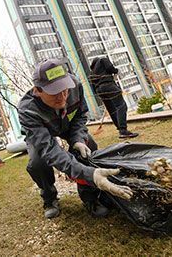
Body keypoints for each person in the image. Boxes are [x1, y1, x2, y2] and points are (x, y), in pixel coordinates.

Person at [18, 59, 133, 219]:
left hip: (68, 126)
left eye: (64, 89)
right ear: (37, 91)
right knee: (38, 163)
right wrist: (89, 174)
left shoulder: (75, 85)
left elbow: (80, 115)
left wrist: (77, 139)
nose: (62, 97)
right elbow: (49, 149)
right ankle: (49, 198)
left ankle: (90, 197)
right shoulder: (27, 110)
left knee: (88, 148)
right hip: (42, 133)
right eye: (53, 92)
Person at [90, 57, 139, 138]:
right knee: (121, 106)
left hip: (99, 90)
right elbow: (110, 68)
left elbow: (93, 86)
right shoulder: (102, 60)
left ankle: (120, 129)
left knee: (111, 109)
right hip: (109, 85)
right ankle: (123, 130)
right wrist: (116, 71)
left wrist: (99, 94)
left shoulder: (92, 72)